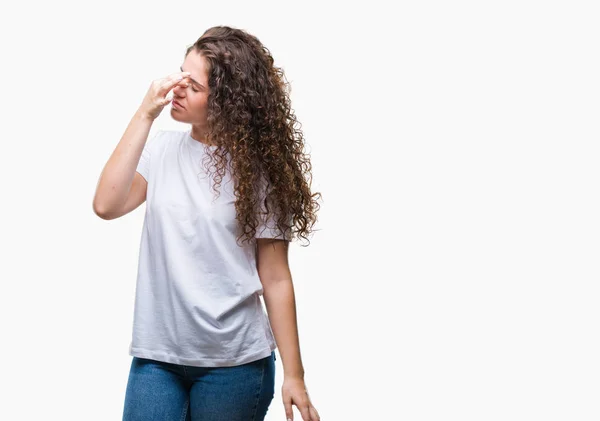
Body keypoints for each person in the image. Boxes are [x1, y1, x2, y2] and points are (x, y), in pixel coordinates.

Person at [93, 26, 322, 421]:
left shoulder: (261, 174)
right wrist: (145, 112)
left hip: (234, 365)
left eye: (193, 86)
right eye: (180, 74)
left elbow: (276, 277)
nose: (176, 89)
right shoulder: (161, 149)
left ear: (228, 102)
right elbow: (106, 205)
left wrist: (294, 375)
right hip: (156, 359)